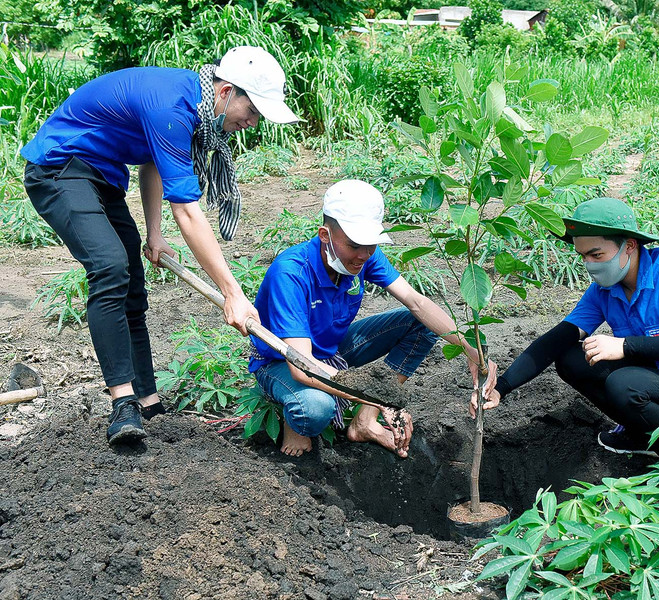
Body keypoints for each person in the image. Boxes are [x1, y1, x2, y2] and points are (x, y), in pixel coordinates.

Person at [21, 46, 300, 445]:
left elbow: (153, 161)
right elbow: (187, 213)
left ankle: (147, 400)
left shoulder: (193, 104)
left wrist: (154, 232)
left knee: (132, 284)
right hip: (58, 168)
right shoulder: (172, 107)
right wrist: (232, 293)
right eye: (252, 111)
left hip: (101, 176)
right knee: (110, 266)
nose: (252, 123)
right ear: (225, 92)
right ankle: (123, 403)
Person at [472, 197, 659, 455]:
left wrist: (625, 346)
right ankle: (644, 433)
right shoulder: (605, 290)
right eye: (583, 256)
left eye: (596, 254)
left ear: (629, 246)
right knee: (572, 359)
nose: (589, 265)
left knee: (625, 384)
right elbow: (557, 340)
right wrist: (501, 387)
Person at [250, 179, 497, 458]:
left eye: (371, 245)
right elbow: (302, 366)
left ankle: (364, 422)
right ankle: (294, 420)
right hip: (282, 361)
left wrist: (469, 349)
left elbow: (416, 302)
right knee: (315, 409)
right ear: (324, 235)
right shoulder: (290, 273)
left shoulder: (363, 255)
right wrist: (383, 399)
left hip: (331, 350)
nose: (364, 255)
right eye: (355, 245)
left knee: (421, 325)